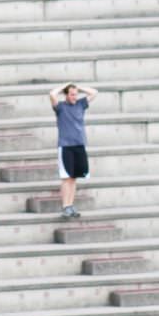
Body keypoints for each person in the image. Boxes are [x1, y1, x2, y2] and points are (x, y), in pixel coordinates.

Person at [49, 83, 95, 218]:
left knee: (74, 178)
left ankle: (70, 205)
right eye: (72, 94)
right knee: (66, 177)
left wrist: (78, 88)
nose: (75, 97)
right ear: (66, 95)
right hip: (65, 146)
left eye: (76, 94)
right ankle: (65, 206)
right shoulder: (60, 107)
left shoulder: (81, 104)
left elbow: (94, 92)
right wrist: (65, 86)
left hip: (79, 145)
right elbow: (52, 94)